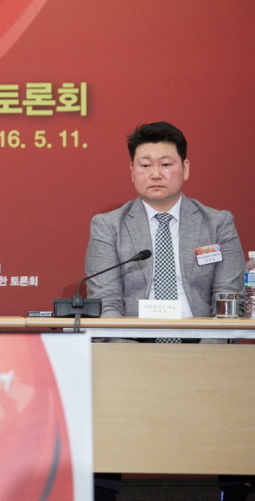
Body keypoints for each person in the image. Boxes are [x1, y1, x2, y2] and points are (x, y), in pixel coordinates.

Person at [84, 121, 249, 501]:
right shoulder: (108, 226)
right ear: (132, 170)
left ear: (185, 168)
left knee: (234, 388)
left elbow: (229, 297)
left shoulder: (217, 223)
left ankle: (235, 489)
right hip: (131, 348)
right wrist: (137, 358)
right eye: (145, 165)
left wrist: (201, 355)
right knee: (105, 384)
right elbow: (107, 302)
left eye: (166, 163)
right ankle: (103, 489)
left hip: (204, 348)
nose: (155, 173)